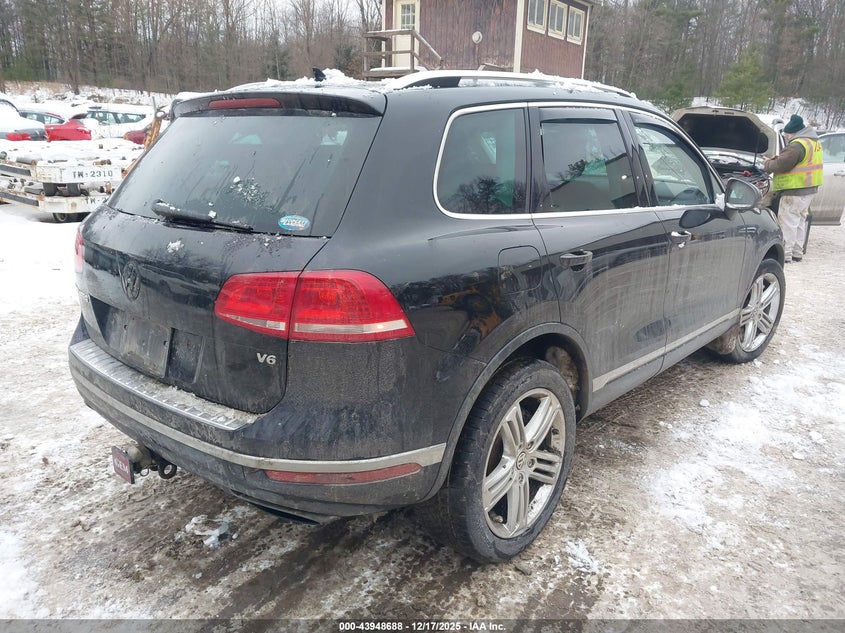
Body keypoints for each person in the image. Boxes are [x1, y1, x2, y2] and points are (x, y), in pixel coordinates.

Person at [763, 114, 823, 262]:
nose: (787, 138)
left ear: (792, 133)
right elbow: (798, 162)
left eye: (787, 136)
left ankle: (786, 255)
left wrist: (767, 165)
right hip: (808, 188)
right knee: (799, 220)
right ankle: (797, 252)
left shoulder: (797, 144)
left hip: (795, 189)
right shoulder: (812, 142)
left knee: (788, 222)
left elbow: (782, 164)